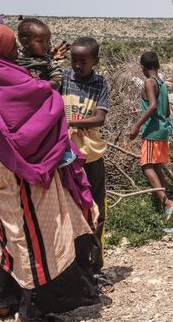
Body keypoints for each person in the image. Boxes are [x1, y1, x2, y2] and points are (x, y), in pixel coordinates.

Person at [0, 24, 99, 322]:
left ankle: (4, 302)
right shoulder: (13, 81)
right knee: (36, 235)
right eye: (10, 45)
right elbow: (46, 103)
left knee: (10, 231)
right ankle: (31, 309)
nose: (14, 50)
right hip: (25, 167)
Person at [58, 36, 113, 293]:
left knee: (96, 210)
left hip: (90, 156)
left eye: (83, 61)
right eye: (74, 61)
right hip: (65, 158)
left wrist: (71, 124)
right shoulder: (63, 79)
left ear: (95, 62)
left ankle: (94, 264)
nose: (77, 66)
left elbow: (100, 118)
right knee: (68, 211)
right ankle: (71, 264)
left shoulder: (99, 83)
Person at [129, 51, 173, 218]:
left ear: (142, 67)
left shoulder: (149, 82)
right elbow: (167, 110)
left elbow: (152, 106)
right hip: (162, 129)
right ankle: (169, 195)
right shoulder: (162, 83)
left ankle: (167, 203)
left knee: (146, 166)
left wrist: (136, 127)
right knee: (156, 164)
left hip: (152, 132)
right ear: (158, 65)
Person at [16, 17, 67, 90]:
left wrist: (40, 83)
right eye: (40, 42)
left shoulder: (49, 61)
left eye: (47, 41)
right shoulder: (15, 58)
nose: (46, 45)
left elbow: (57, 82)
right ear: (25, 42)